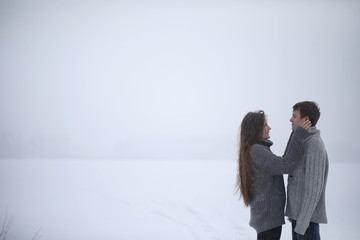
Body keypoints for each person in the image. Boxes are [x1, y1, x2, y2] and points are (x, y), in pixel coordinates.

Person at [236, 110, 311, 240]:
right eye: (265, 125)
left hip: (269, 219)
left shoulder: (258, 149)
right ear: (255, 129)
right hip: (268, 220)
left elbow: (283, 161)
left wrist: (295, 134)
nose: (269, 128)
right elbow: (286, 165)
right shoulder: (257, 150)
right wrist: (298, 135)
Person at [285, 101, 329, 240]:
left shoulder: (314, 145)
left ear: (306, 119)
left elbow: (313, 189)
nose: (290, 119)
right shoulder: (302, 141)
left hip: (307, 223)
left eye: (294, 116)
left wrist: (302, 224)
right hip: (298, 219)